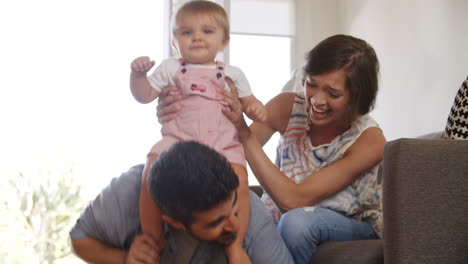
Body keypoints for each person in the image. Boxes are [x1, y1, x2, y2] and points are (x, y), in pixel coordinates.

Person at [157, 34, 386, 264]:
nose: (316, 100)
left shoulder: (369, 139)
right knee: (237, 206)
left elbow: (295, 200)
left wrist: (243, 131)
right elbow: (225, 148)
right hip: (283, 212)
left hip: (350, 222)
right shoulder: (289, 106)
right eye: (311, 84)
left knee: (297, 223)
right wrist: (178, 113)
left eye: (333, 93)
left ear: (357, 97)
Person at [129, 1, 267, 261]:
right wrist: (137, 76)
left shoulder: (232, 73)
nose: (196, 38)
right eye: (186, 32)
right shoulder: (170, 69)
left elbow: (249, 101)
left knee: (239, 177)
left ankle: (234, 245)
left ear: (224, 41)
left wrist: (256, 108)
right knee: (151, 167)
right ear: (174, 41)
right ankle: (152, 237)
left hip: (222, 142)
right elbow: (145, 95)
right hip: (178, 141)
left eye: (207, 31)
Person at [70, 141, 294, 264]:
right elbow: (80, 240)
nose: (235, 226)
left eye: (233, 208)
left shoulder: (250, 212)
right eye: (216, 222)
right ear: (174, 222)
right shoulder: (125, 193)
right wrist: (123, 258)